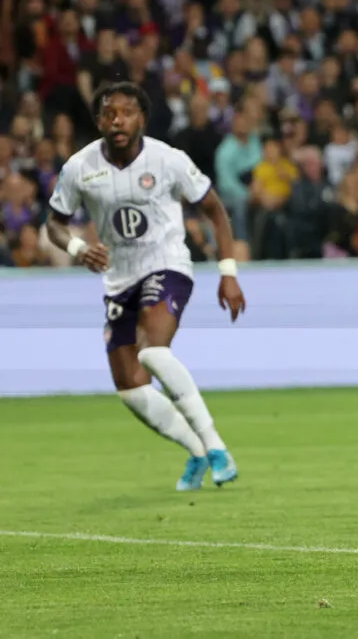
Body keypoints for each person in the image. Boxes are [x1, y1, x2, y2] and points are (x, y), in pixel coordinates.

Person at [45, 82, 247, 491]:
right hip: (119, 279)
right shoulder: (80, 167)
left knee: (153, 352)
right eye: (108, 113)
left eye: (126, 112)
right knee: (131, 390)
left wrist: (228, 272)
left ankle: (217, 446)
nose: (117, 120)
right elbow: (55, 223)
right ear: (99, 120)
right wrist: (79, 246)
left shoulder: (168, 160)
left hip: (167, 264)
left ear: (142, 119)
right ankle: (196, 450)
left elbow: (215, 210)